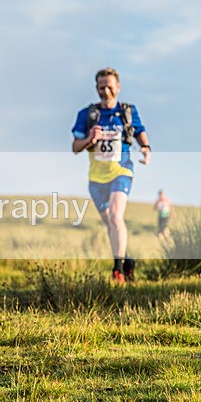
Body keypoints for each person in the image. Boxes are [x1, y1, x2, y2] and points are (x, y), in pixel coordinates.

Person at [71, 67, 151, 283]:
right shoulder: (87, 115)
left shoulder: (127, 111)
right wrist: (89, 139)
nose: (105, 91)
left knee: (116, 216)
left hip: (121, 171)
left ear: (118, 87)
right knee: (112, 225)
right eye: (101, 87)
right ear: (96, 88)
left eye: (109, 87)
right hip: (97, 178)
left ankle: (118, 270)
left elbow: (140, 132)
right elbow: (75, 147)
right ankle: (126, 260)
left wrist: (145, 148)